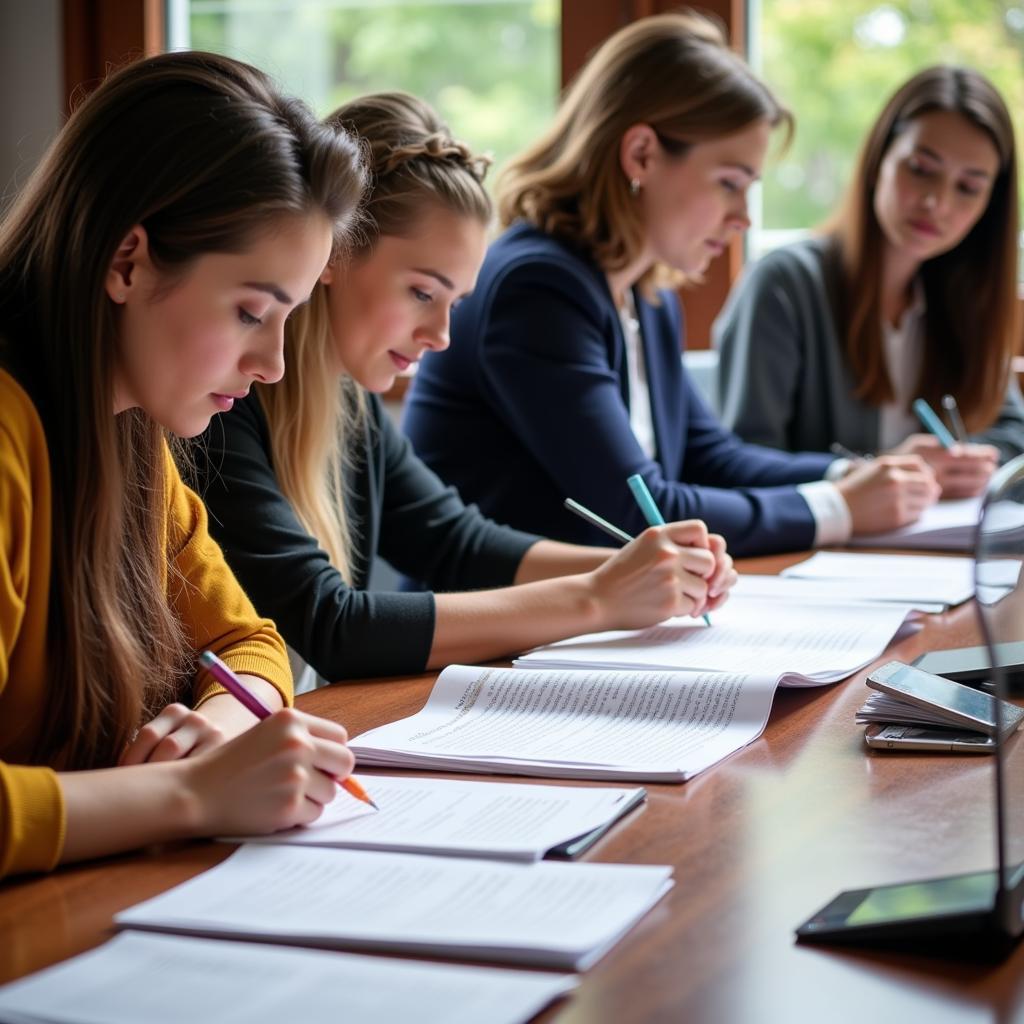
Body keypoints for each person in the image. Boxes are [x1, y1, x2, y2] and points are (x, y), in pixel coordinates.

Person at [189, 91, 736, 686]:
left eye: (454, 303)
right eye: (423, 293)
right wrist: (598, 598)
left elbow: (455, 541)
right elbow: (332, 626)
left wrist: (644, 571)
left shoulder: (348, 401)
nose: (442, 335)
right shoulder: (221, 406)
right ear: (334, 250)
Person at [0, 51, 367, 879]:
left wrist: (227, 729)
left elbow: (247, 639)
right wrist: (196, 794)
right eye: (250, 311)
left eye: (290, 318)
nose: (273, 363)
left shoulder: (124, 427)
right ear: (127, 262)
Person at [401, 12, 940, 559]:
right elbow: (638, 511)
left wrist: (859, 473)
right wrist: (840, 508)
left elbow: (711, 458)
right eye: (729, 183)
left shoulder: (644, 294)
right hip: (500, 635)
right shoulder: (538, 288)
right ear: (641, 154)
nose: (743, 219)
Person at [715, 65, 1024, 499]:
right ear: (880, 158)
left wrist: (966, 461)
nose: (937, 202)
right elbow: (738, 461)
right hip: (817, 555)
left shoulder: (968, 298)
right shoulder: (784, 285)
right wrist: (875, 470)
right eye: (920, 169)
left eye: (969, 188)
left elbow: (1014, 432)